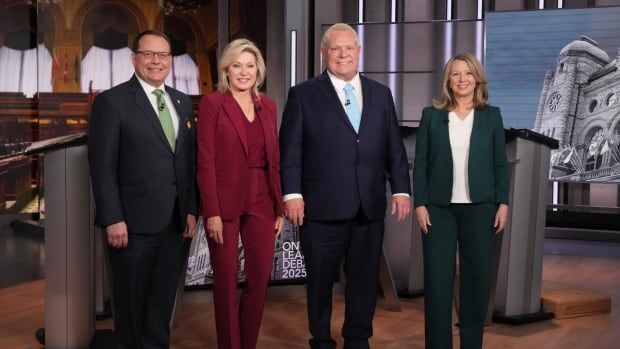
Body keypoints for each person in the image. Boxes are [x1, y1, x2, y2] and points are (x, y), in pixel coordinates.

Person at [279, 23, 411, 349]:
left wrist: (401, 189)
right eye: (335, 49)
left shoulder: (381, 94)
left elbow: (393, 147)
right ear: (324, 53)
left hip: (368, 205)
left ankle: (357, 337)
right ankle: (321, 338)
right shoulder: (304, 94)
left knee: (364, 279)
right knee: (320, 281)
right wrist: (292, 194)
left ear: (358, 52)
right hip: (321, 206)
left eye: (348, 48)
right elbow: (290, 150)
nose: (342, 54)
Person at [88, 30, 198, 349]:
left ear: (170, 61)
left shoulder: (181, 101)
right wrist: (113, 218)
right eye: (148, 54)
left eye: (162, 55)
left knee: (161, 304)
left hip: (175, 223)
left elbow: (187, 162)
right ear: (134, 58)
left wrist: (190, 209)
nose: (156, 61)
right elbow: (103, 166)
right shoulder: (112, 102)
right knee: (130, 304)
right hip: (131, 225)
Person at [412, 52, 509, 349]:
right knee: (438, 285)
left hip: (481, 209)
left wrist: (502, 202)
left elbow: (499, 163)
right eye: (455, 74)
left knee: (476, 283)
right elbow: (422, 163)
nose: (462, 79)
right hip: (438, 210)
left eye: (468, 73)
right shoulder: (432, 116)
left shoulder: (491, 116)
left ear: (477, 79)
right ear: (448, 81)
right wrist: (420, 203)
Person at [196, 38, 284, 349]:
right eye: (237, 66)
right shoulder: (212, 104)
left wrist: (279, 207)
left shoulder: (269, 105)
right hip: (224, 200)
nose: (244, 72)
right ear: (227, 70)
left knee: (260, 279)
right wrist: (213, 212)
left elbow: (274, 161)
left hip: (262, 196)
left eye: (250, 65)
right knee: (226, 280)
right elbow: (205, 160)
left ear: (258, 70)